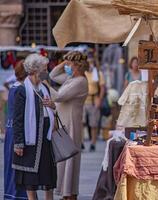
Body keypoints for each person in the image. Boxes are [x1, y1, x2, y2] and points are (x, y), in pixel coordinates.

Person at [12, 54, 57, 200]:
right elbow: (18, 119)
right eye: (44, 69)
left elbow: (51, 109)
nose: (46, 72)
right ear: (35, 70)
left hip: (45, 140)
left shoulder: (44, 87)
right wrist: (18, 143)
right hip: (30, 140)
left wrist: (53, 106)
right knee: (31, 180)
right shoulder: (22, 90)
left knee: (47, 178)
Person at [47, 51, 88, 200]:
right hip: (64, 122)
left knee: (70, 159)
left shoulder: (80, 81)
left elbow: (58, 96)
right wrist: (64, 63)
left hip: (72, 124)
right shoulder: (71, 78)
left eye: (70, 65)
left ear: (77, 66)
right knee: (63, 160)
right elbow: (53, 75)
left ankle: (69, 193)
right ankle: (65, 192)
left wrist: (45, 85)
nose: (67, 68)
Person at [4, 60, 28, 200]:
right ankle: (17, 195)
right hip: (16, 132)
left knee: (12, 166)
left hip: (11, 130)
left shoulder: (14, 87)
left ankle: (12, 194)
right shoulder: (20, 89)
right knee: (17, 166)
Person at [82, 57, 105, 151]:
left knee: (93, 124)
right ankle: (81, 142)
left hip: (93, 100)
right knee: (81, 123)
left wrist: (99, 98)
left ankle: (93, 143)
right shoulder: (83, 73)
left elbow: (102, 87)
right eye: (88, 63)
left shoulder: (98, 74)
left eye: (91, 62)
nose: (90, 64)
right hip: (83, 100)